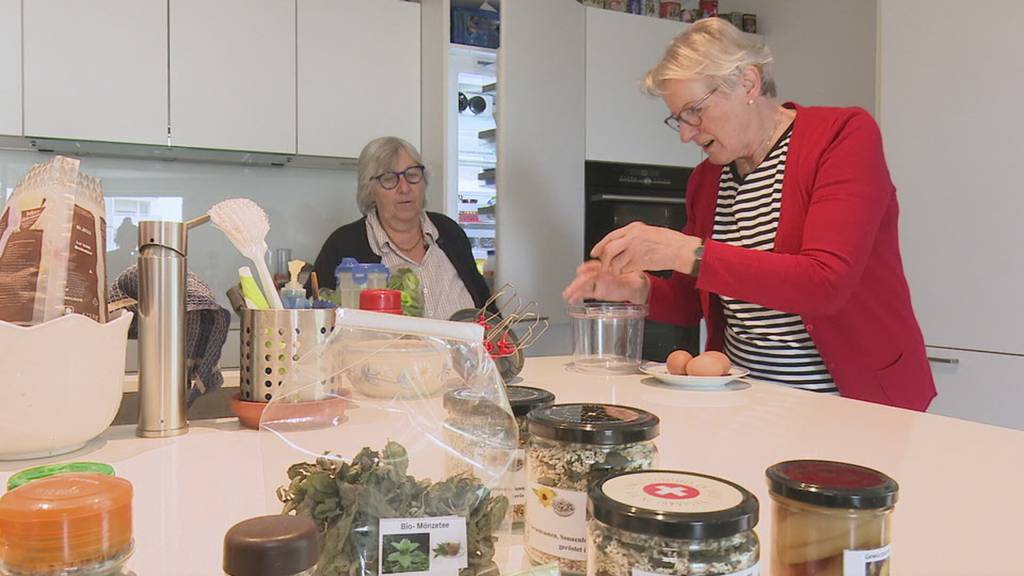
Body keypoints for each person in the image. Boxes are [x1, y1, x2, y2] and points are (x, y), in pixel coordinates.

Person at [563, 18, 935, 411]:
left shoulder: (842, 136)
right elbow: (696, 300)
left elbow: (826, 284)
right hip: (752, 402)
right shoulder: (707, 180)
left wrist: (683, 250)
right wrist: (634, 291)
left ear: (748, 84)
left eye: (694, 111)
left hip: (851, 403)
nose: (686, 134)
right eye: (678, 118)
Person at [312, 136, 493, 320]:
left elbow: (490, 313)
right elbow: (313, 321)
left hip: (466, 349)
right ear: (370, 190)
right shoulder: (343, 244)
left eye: (413, 175)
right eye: (389, 179)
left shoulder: (450, 232)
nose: (404, 188)